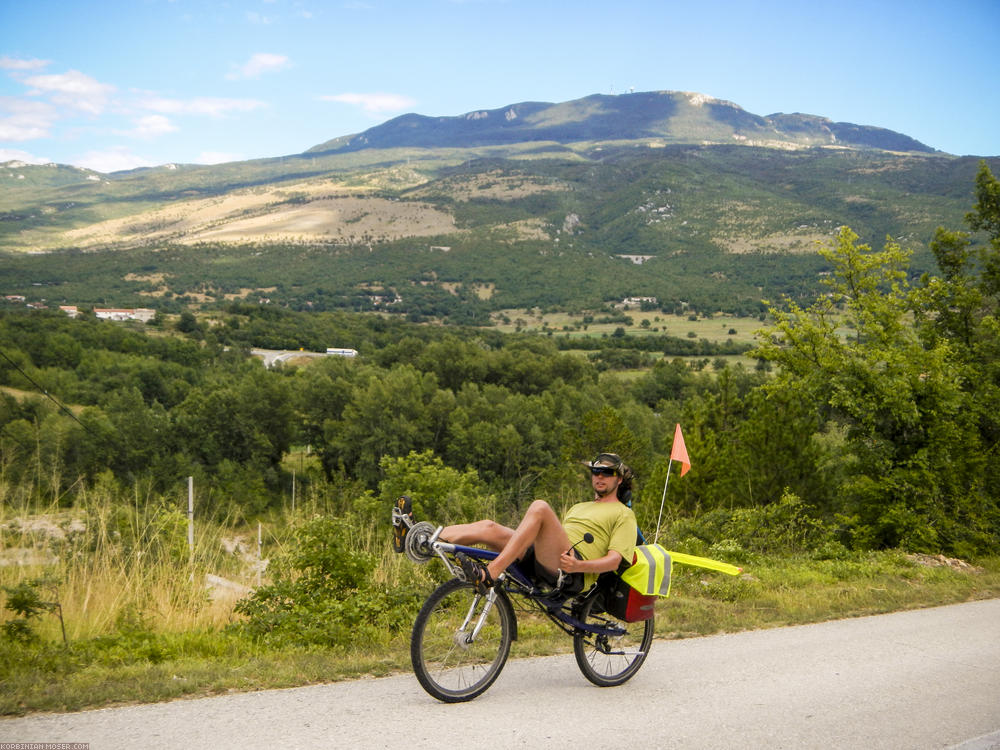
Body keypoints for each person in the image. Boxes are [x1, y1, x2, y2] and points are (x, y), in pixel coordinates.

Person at [394, 453, 638, 594]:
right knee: (489, 527)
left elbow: (614, 560)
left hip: (570, 570)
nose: (599, 477)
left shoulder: (623, 514)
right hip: (545, 557)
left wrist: (578, 566)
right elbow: (547, 538)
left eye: (607, 473)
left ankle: (490, 573)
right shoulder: (580, 507)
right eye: (596, 472)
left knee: (540, 507)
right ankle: (419, 538)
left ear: (619, 479)